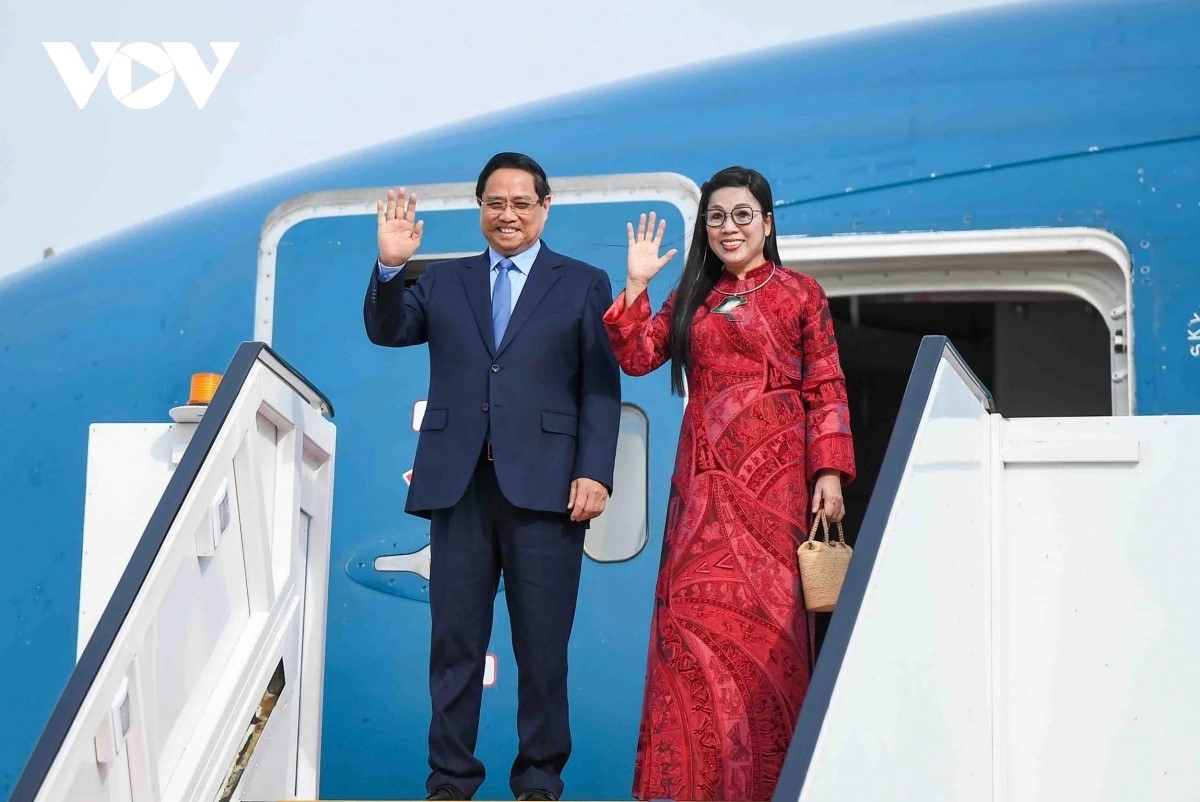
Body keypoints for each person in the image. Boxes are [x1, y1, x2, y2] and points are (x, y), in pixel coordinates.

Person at [363, 152, 622, 802]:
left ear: (544, 208)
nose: (508, 215)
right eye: (495, 203)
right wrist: (391, 267)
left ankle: (539, 781)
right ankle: (450, 781)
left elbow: (599, 387)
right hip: (460, 487)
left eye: (521, 203)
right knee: (454, 644)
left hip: (547, 488)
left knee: (543, 648)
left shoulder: (582, 282)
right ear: (480, 207)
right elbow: (388, 329)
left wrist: (595, 471)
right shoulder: (444, 281)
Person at [603, 166, 856, 801]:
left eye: (743, 215)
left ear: (767, 223)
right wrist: (636, 285)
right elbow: (638, 356)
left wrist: (829, 471)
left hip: (778, 493)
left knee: (774, 639)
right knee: (689, 635)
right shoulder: (695, 294)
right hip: (702, 493)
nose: (729, 227)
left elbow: (826, 385)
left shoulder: (801, 293)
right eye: (716, 217)